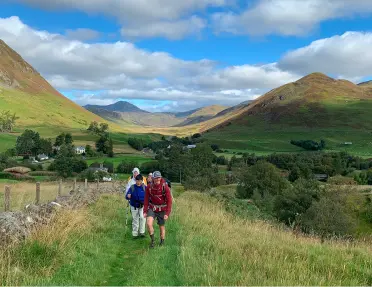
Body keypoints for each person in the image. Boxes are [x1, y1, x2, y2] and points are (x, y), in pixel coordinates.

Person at [144, 171, 172, 248]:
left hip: (162, 209)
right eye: (156, 178)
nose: (157, 179)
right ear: (153, 178)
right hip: (152, 208)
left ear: (161, 177)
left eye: (159, 177)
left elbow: (169, 201)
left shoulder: (164, 187)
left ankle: (162, 242)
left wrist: (167, 213)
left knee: (161, 226)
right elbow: (146, 199)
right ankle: (152, 241)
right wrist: (145, 211)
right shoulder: (149, 187)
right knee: (149, 224)